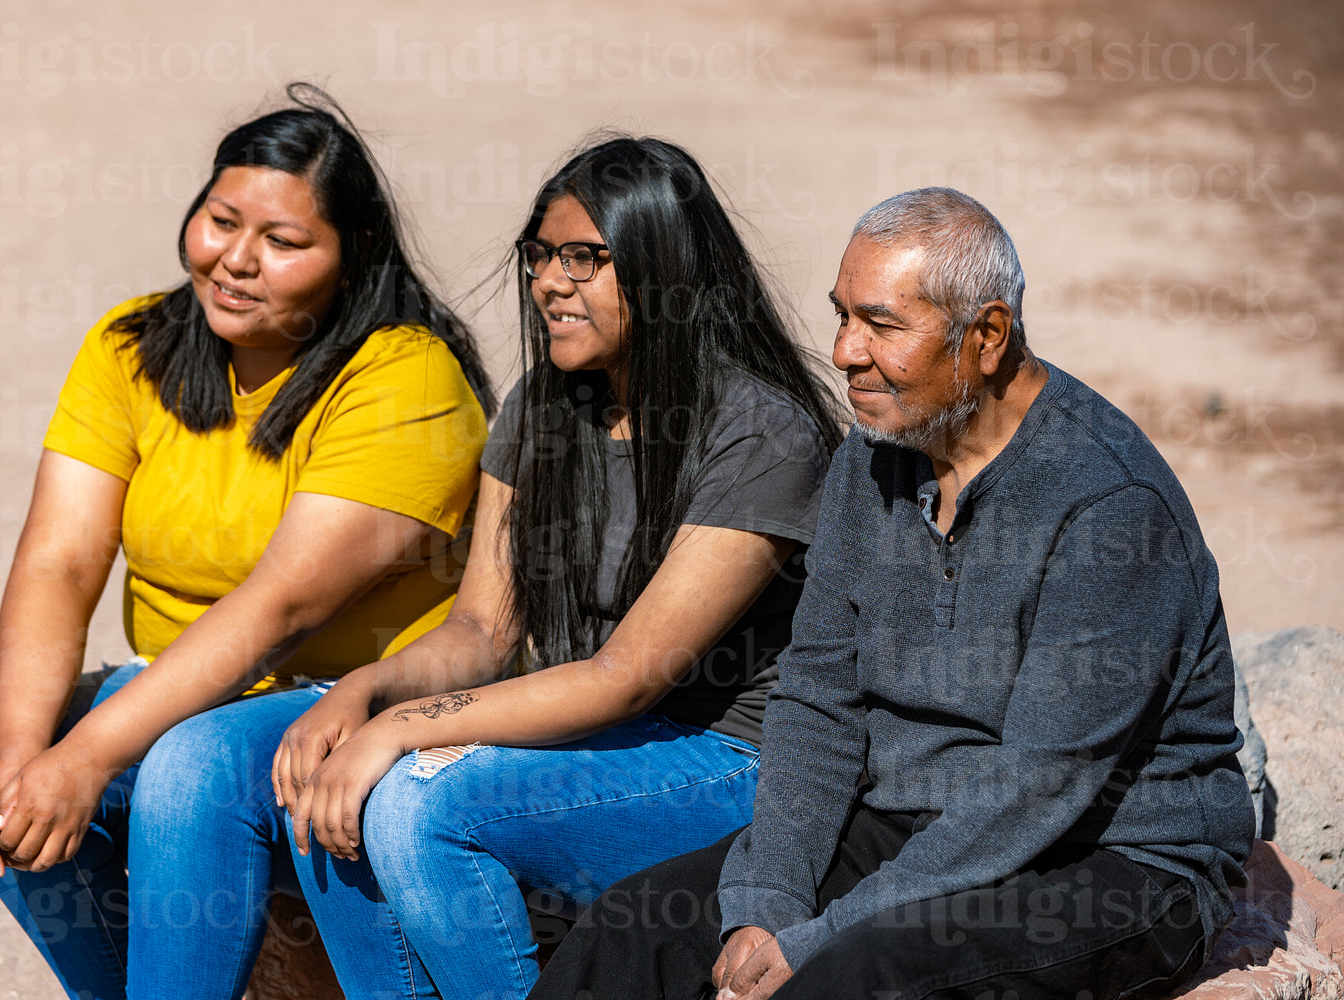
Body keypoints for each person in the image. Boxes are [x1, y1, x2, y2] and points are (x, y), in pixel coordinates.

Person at [528, 187, 1255, 1000]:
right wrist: (766, 904)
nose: (843, 351)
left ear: (985, 337)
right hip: (915, 819)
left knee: (855, 977)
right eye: (842, 316)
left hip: (1111, 858)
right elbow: (816, 698)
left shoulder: (1107, 507)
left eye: (880, 325)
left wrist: (818, 939)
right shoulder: (871, 460)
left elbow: (1040, 787)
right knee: (640, 930)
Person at [0, 84, 494, 1000]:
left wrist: (86, 757)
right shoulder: (132, 348)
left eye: (282, 243)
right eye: (221, 220)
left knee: (190, 764)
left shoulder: (408, 377)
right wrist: (26, 759)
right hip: (191, 692)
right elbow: (61, 559)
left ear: (351, 259)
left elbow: (280, 607)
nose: (236, 261)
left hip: (350, 699)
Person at [269, 135, 845, 1000]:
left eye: (586, 258)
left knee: (421, 805)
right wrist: (364, 694)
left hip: (735, 761)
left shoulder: (760, 433)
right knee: (329, 787)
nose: (549, 281)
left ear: (664, 269)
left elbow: (624, 679)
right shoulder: (543, 407)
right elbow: (479, 631)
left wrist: (400, 728)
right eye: (540, 255)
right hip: (608, 739)